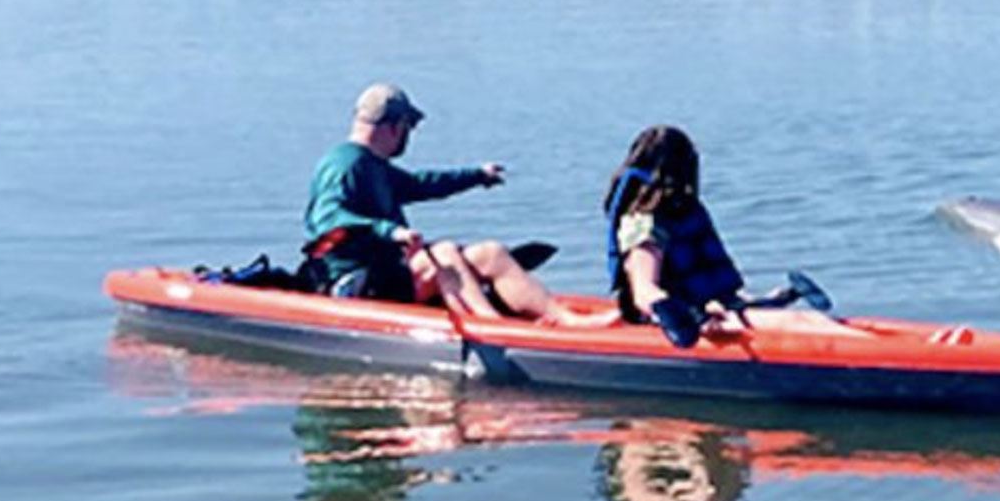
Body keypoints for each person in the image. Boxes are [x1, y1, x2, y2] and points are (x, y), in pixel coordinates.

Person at [303, 83, 570, 321]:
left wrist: (476, 176)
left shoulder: (374, 166)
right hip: (360, 282)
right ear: (396, 127)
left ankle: (564, 319)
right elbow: (327, 218)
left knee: (491, 254)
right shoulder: (344, 165)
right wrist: (391, 231)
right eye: (410, 127)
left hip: (392, 274)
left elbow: (422, 184)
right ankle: (490, 326)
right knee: (444, 253)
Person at [603, 126, 748, 333]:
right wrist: (691, 318)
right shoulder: (642, 223)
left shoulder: (685, 210)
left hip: (712, 305)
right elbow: (644, 291)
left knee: (793, 320)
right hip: (671, 317)